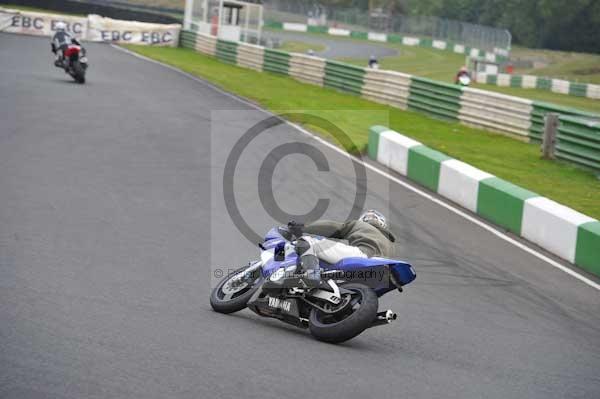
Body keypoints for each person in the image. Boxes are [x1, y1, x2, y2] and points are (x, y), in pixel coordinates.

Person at [281, 210, 396, 287]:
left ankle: (312, 275)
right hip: (379, 274)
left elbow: (332, 227)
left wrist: (303, 228)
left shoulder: (361, 225)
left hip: (361, 256)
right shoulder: (391, 245)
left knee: (307, 241)